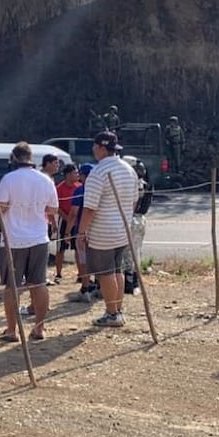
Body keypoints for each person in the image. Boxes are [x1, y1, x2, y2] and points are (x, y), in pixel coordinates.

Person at [0, 142, 59, 342]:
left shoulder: (9, 179)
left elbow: (0, 209)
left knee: (12, 286)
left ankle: (12, 330)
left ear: (14, 158)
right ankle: (39, 328)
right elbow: (53, 209)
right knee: (39, 284)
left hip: (13, 240)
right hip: (39, 238)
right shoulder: (45, 180)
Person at [78, 131, 138, 327]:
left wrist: (81, 232)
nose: (93, 150)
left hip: (103, 231)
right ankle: (117, 309)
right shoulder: (129, 169)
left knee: (105, 273)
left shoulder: (99, 172)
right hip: (122, 228)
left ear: (102, 148)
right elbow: (134, 200)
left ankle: (112, 313)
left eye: (95, 146)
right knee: (117, 270)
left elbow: (89, 208)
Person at [124, 157, 153, 296]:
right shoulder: (144, 183)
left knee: (130, 252)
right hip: (140, 218)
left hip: (133, 218)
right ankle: (132, 280)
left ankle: (130, 282)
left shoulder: (137, 184)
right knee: (136, 251)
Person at [68, 163, 95, 302]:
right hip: (98, 230)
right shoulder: (99, 190)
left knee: (83, 259)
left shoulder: (80, 190)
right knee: (98, 259)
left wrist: (68, 232)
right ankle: (99, 286)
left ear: (84, 176)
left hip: (82, 229)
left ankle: (85, 288)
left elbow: (73, 213)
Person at [54, 164, 80, 284]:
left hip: (77, 221)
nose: (77, 175)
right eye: (75, 173)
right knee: (60, 248)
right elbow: (56, 206)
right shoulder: (59, 188)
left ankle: (81, 274)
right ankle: (58, 273)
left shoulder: (79, 187)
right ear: (68, 175)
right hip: (64, 220)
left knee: (78, 248)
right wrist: (67, 218)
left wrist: (74, 220)